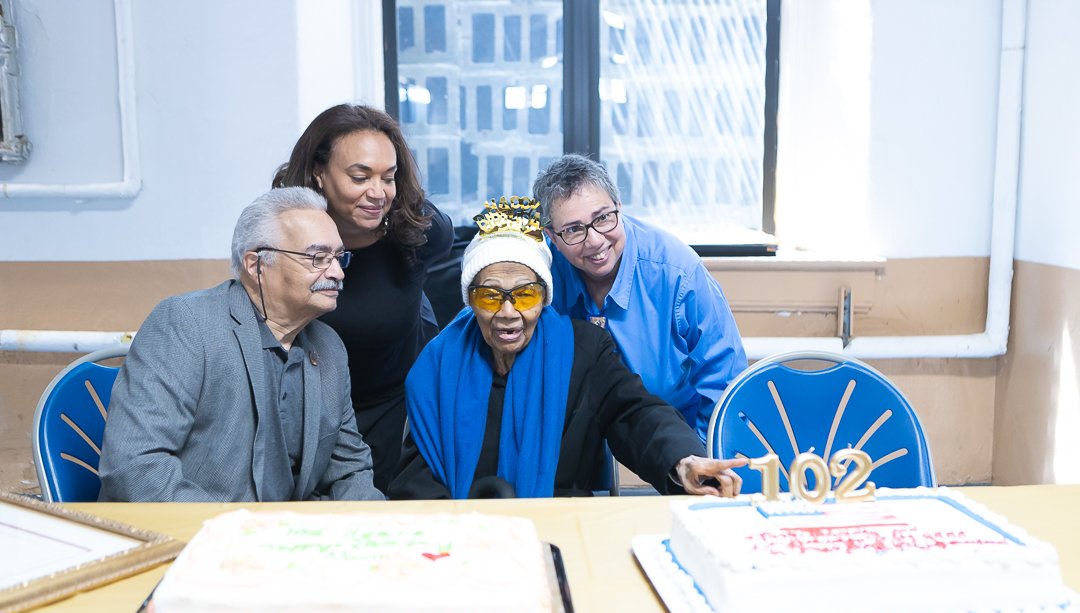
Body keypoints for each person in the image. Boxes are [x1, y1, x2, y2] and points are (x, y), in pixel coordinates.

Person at [389, 196, 746, 500]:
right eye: (490, 296)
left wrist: (682, 460)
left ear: (545, 297)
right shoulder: (439, 362)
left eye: (525, 295)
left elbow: (636, 414)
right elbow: (417, 479)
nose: (508, 313)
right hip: (462, 533)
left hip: (560, 524)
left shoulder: (585, 351)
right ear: (470, 300)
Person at [98, 188, 384, 502]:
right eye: (317, 258)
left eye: (339, 257)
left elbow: (349, 470)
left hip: (281, 529)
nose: (337, 272)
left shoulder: (328, 347)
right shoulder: (186, 324)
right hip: (191, 527)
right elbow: (135, 466)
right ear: (255, 265)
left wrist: (379, 527)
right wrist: (241, 528)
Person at [273, 104, 454, 493]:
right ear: (319, 173)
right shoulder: (280, 237)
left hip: (394, 409)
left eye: (388, 177)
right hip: (308, 409)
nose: (377, 193)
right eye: (360, 177)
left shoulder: (418, 234)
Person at [532, 154, 748, 442]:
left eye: (603, 218)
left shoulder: (678, 271)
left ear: (619, 206)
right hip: (574, 427)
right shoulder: (537, 271)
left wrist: (702, 456)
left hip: (676, 425)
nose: (595, 241)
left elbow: (724, 379)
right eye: (573, 229)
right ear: (551, 235)